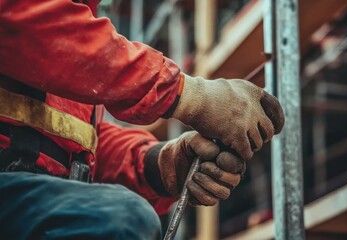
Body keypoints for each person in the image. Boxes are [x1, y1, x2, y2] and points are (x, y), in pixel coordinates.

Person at [0, 0, 285, 239]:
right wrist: (190, 96)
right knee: (123, 218)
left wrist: (160, 164)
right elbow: (29, 25)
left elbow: (77, 145)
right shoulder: (47, 20)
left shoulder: (76, 30)